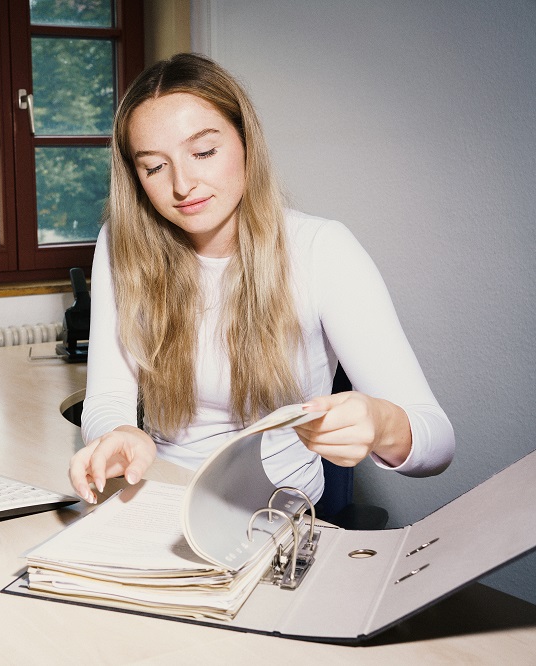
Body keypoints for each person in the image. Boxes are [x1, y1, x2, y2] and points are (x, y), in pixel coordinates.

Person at [69, 53, 454, 506]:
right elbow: (108, 396)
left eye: (204, 152)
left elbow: (439, 442)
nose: (182, 184)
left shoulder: (321, 248)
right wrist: (116, 436)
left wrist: (384, 424)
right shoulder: (120, 243)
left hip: (272, 519)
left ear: (246, 143)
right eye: (155, 166)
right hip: (160, 502)